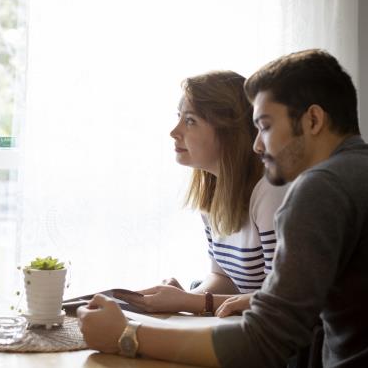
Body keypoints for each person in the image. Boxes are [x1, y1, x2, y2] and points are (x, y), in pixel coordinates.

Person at [78, 49, 368, 367]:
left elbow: (264, 341)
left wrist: (125, 334)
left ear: (313, 120)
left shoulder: (322, 187)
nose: (257, 144)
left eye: (264, 126)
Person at [115, 71, 288, 317]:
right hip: (243, 326)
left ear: (229, 132)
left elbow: (276, 300)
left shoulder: (269, 192)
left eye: (190, 121)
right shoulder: (213, 193)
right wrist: (180, 299)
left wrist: (188, 302)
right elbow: (223, 278)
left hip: (274, 338)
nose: (174, 131)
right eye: (179, 117)